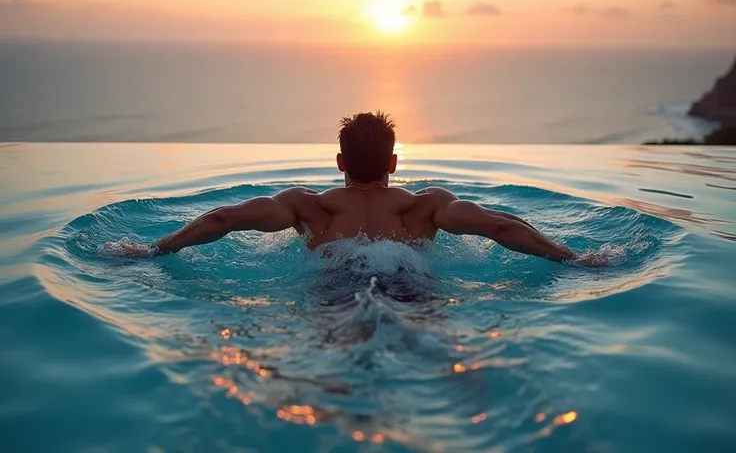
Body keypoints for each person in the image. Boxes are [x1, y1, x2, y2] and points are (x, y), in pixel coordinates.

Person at [111, 112, 601, 266]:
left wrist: (153, 249)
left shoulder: (308, 207)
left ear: (340, 162)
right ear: (393, 162)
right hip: (411, 291)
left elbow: (222, 219)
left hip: (332, 294)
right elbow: (499, 226)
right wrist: (574, 259)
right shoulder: (426, 207)